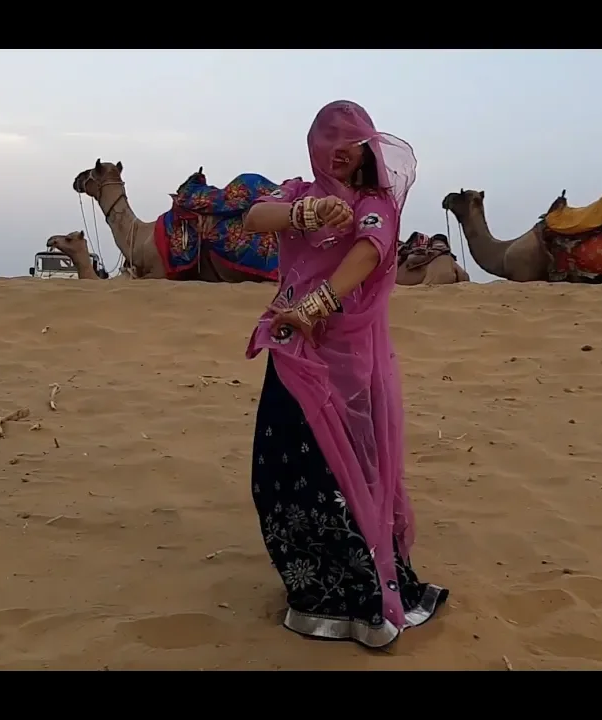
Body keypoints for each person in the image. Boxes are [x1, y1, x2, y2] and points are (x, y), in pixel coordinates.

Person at [241, 100, 448, 648]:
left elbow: (370, 251)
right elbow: (254, 217)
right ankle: (314, 593)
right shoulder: (296, 193)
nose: (339, 147)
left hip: (345, 359)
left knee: (347, 469)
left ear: (366, 150)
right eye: (328, 136)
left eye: (350, 139)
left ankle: (363, 599)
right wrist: (303, 216)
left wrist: (316, 306)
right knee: (279, 473)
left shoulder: (375, 203)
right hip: (291, 353)